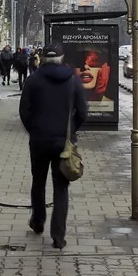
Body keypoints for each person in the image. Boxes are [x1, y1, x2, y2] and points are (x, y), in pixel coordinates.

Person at [18, 43, 88, 250]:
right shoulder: (73, 80)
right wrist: (71, 130)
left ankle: (38, 221)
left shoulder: (33, 80)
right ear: (61, 58)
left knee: (38, 182)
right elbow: (83, 112)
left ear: (42, 59)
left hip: (39, 140)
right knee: (61, 187)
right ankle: (58, 237)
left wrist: (35, 129)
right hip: (63, 142)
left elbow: (24, 111)